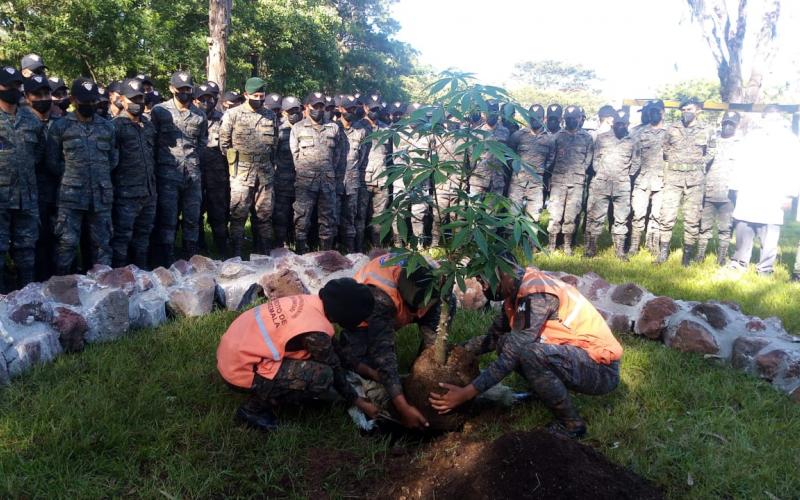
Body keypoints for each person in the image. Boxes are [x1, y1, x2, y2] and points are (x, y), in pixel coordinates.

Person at [429, 257, 623, 439]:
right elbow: (493, 338)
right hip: (576, 357)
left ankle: (572, 425)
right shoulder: (516, 294)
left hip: (601, 369)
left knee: (527, 352)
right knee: (506, 342)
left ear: (502, 274)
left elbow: (511, 356)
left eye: (483, 280)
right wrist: (454, 351)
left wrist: (466, 393)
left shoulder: (537, 295)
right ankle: (543, 394)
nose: (483, 287)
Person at [216, 278, 379, 431]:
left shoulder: (311, 304)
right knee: (322, 376)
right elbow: (335, 368)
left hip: (234, 352)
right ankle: (252, 409)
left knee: (316, 363)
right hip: (240, 370)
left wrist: (370, 372)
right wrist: (360, 403)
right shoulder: (314, 330)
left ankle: (271, 389)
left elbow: (335, 350)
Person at [340, 253, 451, 429]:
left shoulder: (438, 276)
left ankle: (420, 377)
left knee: (434, 348)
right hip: (362, 320)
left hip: (407, 302)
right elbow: (384, 355)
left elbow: (439, 322)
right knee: (369, 374)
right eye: (415, 308)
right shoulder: (379, 299)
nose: (420, 313)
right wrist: (402, 406)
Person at [46, 78, 118, 276]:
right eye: (85, 101)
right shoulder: (60, 126)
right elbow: (52, 162)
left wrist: (97, 175)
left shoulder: (108, 127)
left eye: (93, 101)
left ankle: (102, 291)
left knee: (102, 246)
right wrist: (73, 175)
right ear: (74, 99)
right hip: (70, 197)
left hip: (101, 197)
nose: (90, 105)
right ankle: (62, 293)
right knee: (66, 246)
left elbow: (113, 159)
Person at [728, 106, 800, 276]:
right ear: (763, 118)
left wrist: (790, 195)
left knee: (770, 234)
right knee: (743, 227)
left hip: (775, 193)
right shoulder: (751, 137)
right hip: (750, 189)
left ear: (780, 119)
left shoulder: (790, 140)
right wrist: (736, 187)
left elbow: (795, 168)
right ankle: (739, 262)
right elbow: (739, 162)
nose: (772, 122)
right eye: (769, 118)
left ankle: (765, 268)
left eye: (775, 119)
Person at [151, 70, 207, 265]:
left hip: (192, 175)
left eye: (188, 89)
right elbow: (153, 140)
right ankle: (167, 260)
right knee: (168, 219)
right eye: (180, 89)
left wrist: (192, 160)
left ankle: (190, 260)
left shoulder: (199, 114)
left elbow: (202, 141)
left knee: (192, 218)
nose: (184, 92)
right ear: (172, 88)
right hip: (167, 174)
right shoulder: (160, 111)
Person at [219, 77, 278, 257]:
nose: (259, 99)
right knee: (238, 214)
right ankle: (235, 254)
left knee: (265, 216)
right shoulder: (232, 114)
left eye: (262, 95)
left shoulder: (271, 115)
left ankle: (264, 253)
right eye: (255, 95)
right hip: (241, 173)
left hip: (265, 173)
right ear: (246, 94)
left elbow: (274, 144)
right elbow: (224, 143)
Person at [0, 68, 45, 291]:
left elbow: (38, 153)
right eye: (8, 85)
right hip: (1, 197)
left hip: (27, 196)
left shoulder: (31, 119)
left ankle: (27, 299)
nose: (14, 90)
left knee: (27, 252)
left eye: (17, 85)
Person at [657, 98, 715, 265]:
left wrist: (700, 163)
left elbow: (711, 149)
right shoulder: (672, 128)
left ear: (698, 110)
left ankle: (687, 257)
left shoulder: (707, 129)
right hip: (673, 178)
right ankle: (663, 252)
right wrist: (676, 161)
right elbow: (665, 147)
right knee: (667, 215)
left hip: (695, 180)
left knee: (692, 218)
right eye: (683, 110)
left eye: (689, 109)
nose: (685, 112)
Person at [110, 78, 157, 269]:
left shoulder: (148, 125)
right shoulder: (114, 127)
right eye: (133, 99)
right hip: (126, 195)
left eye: (140, 98)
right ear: (122, 99)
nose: (137, 103)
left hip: (148, 192)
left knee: (143, 238)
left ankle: (142, 277)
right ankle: (120, 280)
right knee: (122, 239)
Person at [290, 92, 344, 254]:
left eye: (322, 107)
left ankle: (325, 254)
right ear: (307, 107)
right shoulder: (298, 128)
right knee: (301, 217)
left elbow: (337, 155)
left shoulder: (333, 128)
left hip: (327, 181)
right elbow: (295, 154)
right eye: (315, 106)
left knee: (328, 218)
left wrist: (327, 170)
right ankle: (300, 252)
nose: (319, 110)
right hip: (305, 181)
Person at [585, 110, 638, 259]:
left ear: (628, 124)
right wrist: (602, 173)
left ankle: (620, 252)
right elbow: (594, 159)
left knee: (621, 219)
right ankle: (591, 249)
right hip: (601, 184)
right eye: (618, 123)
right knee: (596, 217)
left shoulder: (632, 141)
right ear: (613, 123)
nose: (620, 126)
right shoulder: (601, 139)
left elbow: (636, 162)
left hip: (622, 186)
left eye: (624, 123)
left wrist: (624, 176)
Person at [546, 105, 594, 255]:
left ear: (580, 119)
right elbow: (550, 159)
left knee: (571, 215)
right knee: (555, 215)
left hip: (577, 183)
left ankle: (567, 246)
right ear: (564, 120)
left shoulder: (587, 138)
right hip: (558, 182)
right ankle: (552, 245)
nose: (571, 121)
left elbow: (588, 160)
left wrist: (578, 172)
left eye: (574, 118)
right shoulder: (557, 137)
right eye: (568, 119)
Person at [698, 111, 741, 265]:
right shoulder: (712, 140)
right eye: (726, 123)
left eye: (732, 124)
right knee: (704, 228)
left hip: (728, 195)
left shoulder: (741, 144)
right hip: (709, 191)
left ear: (737, 126)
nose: (728, 127)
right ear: (722, 123)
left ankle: (721, 259)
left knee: (725, 229)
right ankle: (700, 256)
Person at [194, 82, 229, 256]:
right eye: (202, 98)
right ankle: (199, 248)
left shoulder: (223, 119)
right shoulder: (191, 118)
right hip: (195, 173)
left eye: (210, 98)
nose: (207, 102)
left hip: (217, 174)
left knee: (218, 210)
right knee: (195, 211)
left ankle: (222, 247)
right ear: (196, 100)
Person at [629, 99, 667, 256]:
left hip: (662, 181)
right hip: (642, 180)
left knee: (656, 216)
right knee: (638, 214)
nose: (653, 114)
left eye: (656, 111)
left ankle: (653, 246)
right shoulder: (640, 133)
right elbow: (634, 157)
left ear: (662, 112)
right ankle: (634, 246)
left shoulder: (670, 133)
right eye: (650, 111)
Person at [507, 104, 554, 223]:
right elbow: (509, 155)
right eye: (532, 117)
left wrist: (540, 170)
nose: (535, 120)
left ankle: (530, 240)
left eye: (538, 117)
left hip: (536, 184)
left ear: (544, 119)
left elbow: (550, 159)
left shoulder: (549, 139)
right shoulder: (518, 135)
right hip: (517, 182)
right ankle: (511, 240)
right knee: (512, 215)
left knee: (533, 217)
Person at [336, 95, 370, 253]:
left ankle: (350, 253)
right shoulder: (332, 128)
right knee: (332, 217)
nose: (351, 111)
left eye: (353, 109)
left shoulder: (361, 131)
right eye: (348, 109)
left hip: (353, 182)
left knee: (350, 217)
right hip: (334, 182)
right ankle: (333, 251)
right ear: (340, 109)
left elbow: (363, 158)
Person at [362, 95, 393, 247]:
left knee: (379, 216)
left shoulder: (386, 129)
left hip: (382, 178)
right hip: (363, 179)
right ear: (365, 108)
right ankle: (359, 247)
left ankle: (376, 246)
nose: (375, 111)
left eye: (377, 109)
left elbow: (391, 155)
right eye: (372, 108)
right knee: (359, 216)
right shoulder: (358, 127)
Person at [273, 96, 302, 248]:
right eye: (290, 111)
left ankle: (299, 245)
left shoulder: (306, 128)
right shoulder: (278, 130)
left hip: (303, 181)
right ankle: (280, 245)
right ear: (284, 113)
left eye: (297, 110)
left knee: (301, 216)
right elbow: (271, 155)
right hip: (282, 181)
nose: (294, 114)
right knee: (281, 215)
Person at [469, 99, 510, 197]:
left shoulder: (505, 132)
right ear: (484, 113)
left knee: (492, 211)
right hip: (478, 180)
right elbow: (471, 157)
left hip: (497, 180)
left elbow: (507, 153)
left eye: (494, 111)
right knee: (475, 210)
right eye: (489, 111)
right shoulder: (476, 132)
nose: (492, 114)